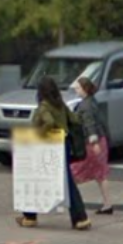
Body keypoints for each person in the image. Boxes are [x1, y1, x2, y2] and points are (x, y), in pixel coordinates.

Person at [16, 77, 90, 231]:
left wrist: (40, 134)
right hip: (64, 144)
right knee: (67, 181)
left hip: (48, 144)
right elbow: (75, 120)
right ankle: (80, 218)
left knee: (33, 178)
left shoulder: (44, 107)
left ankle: (29, 216)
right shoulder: (61, 105)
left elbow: (48, 122)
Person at [69, 76, 113, 215]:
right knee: (101, 174)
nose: (76, 90)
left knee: (73, 173)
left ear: (84, 89)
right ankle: (108, 204)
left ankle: (72, 203)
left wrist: (93, 142)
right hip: (101, 141)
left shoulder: (85, 105)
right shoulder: (92, 101)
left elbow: (89, 124)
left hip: (91, 144)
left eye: (77, 88)